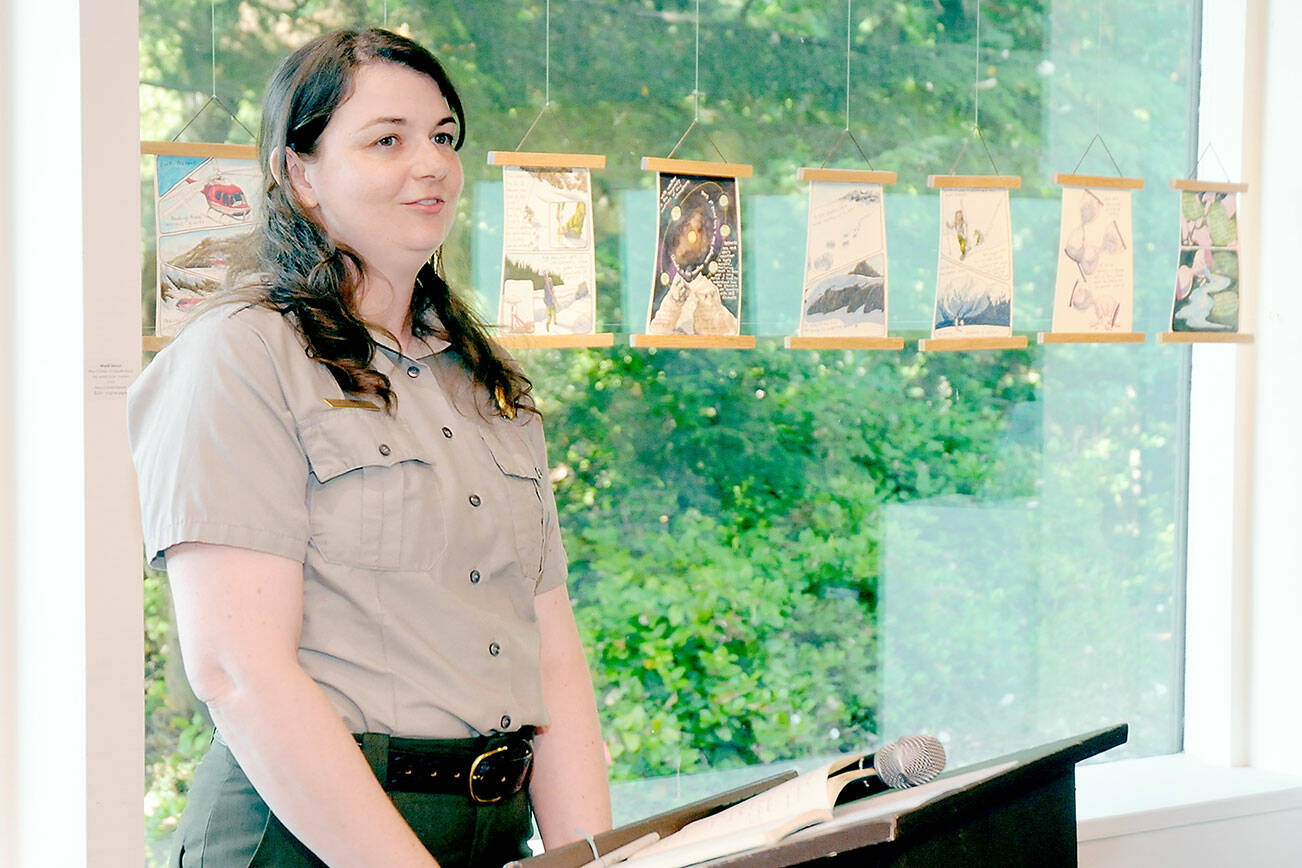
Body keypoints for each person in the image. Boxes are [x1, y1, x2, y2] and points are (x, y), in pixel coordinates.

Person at [128, 28, 611, 867]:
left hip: (491, 831)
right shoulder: (238, 355)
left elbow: (548, 640)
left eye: (443, 137)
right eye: (387, 140)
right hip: (305, 838)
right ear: (301, 174)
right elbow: (239, 673)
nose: (431, 165)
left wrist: (593, 857)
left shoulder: (485, 380)